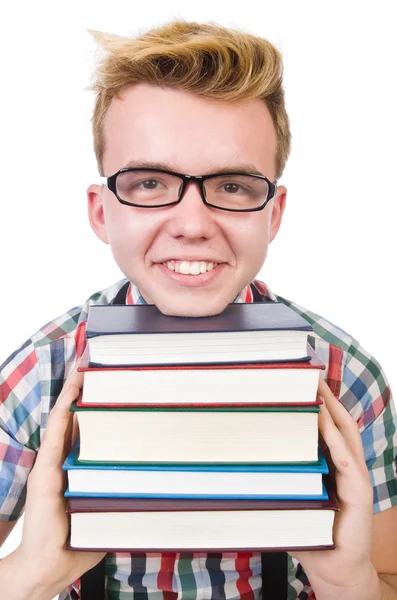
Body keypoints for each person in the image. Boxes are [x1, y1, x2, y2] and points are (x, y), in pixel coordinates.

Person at [0, 19, 396, 600]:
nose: (191, 225)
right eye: (150, 182)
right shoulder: (38, 379)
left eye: (234, 186)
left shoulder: (345, 379)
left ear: (274, 212)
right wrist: (33, 572)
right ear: (102, 211)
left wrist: (351, 582)